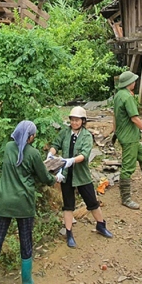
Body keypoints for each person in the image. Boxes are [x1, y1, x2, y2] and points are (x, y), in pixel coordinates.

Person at [0, 120, 54, 284]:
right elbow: (44, 176)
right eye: (33, 135)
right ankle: (26, 282)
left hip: (4, 203)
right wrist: (55, 179)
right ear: (30, 136)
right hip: (24, 204)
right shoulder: (33, 153)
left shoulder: (9, 147)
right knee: (26, 241)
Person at [48, 106, 112, 248]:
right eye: (72, 120)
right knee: (68, 204)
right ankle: (69, 233)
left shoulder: (86, 136)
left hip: (81, 175)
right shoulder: (65, 132)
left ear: (83, 121)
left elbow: (84, 154)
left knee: (92, 201)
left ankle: (101, 225)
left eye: (77, 120)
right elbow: (56, 144)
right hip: (66, 175)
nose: (74, 122)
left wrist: (71, 160)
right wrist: (51, 154)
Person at [112, 71, 142, 210]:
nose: (135, 82)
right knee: (128, 168)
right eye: (133, 81)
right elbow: (135, 118)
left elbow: (115, 115)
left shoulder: (118, 95)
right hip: (129, 138)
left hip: (125, 134)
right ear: (129, 83)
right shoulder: (127, 97)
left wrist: (115, 131)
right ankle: (126, 198)